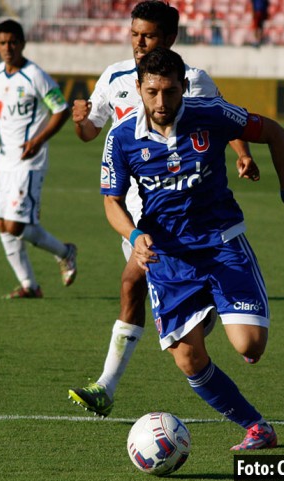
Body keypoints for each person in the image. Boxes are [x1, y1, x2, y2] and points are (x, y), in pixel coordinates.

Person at [101, 47, 284, 450]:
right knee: (188, 359)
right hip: (168, 257)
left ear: (183, 87)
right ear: (139, 89)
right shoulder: (122, 138)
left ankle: (211, 309)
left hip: (221, 243)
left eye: (170, 92)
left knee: (250, 347)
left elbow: (274, 133)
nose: (162, 102)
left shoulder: (211, 113)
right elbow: (112, 201)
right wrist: (133, 236)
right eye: (152, 92)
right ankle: (257, 427)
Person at [69, 0, 259, 417]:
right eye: (134, 33)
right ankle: (206, 319)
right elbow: (90, 132)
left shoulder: (192, 80)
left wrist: (243, 154)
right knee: (139, 290)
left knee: (131, 285)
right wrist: (79, 119)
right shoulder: (115, 77)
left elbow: (224, 121)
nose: (139, 42)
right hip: (134, 214)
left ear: (169, 38)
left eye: (149, 35)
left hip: (180, 218)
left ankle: (106, 385)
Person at [0, 19, 77, 299]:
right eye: (2, 42)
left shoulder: (35, 75)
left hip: (29, 160)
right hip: (3, 159)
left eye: (12, 42)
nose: (7, 47)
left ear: (22, 44)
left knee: (15, 225)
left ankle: (65, 252)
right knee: (1, 223)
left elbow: (61, 110)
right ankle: (29, 286)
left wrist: (38, 140)